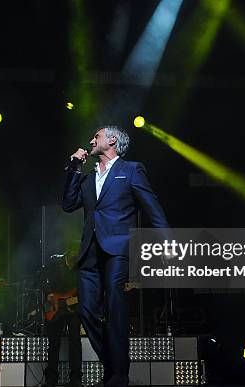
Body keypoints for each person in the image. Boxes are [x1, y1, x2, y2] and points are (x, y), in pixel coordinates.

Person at [62, 126, 170, 386]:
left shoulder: (131, 169)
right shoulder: (87, 177)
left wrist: (167, 241)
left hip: (118, 248)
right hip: (89, 252)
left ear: (112, 140)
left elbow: (151, 205)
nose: (91, 140)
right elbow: (67, 205)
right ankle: (113, 366)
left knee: (115, 309)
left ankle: (118, 375)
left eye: (96, 136)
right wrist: (75, 168)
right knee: (86, 311)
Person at [42, 252, 82, 387]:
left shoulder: (80, 267)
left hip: (73, 307)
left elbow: (83, 288)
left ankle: (76, 378)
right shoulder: (55, 263)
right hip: (55, 307)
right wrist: (49, 294)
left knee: (75, 341)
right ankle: (51, 378)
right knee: (53, 343)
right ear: (69, 253)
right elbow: (42, 279)